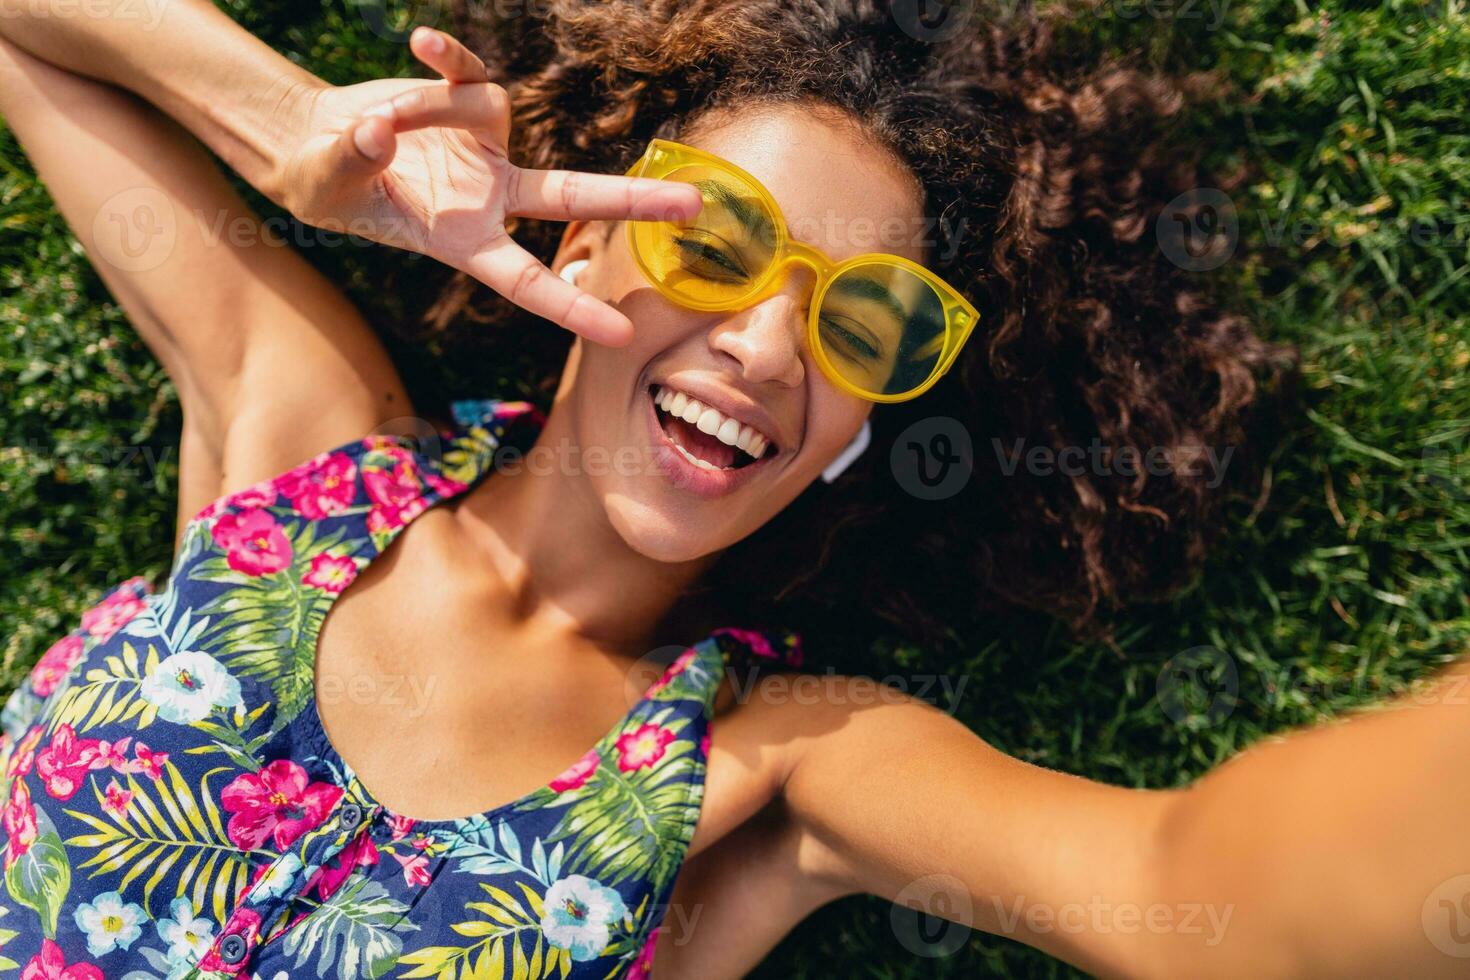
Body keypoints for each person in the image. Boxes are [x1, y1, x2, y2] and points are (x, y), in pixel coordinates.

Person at [0, 2, 1463, 977]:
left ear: (860, 427)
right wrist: (291, 133)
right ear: (576, 248)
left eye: (864, 321)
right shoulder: (306, 452)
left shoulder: (778, 767)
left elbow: (1188, 886)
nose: (767, 345)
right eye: (717, 243)